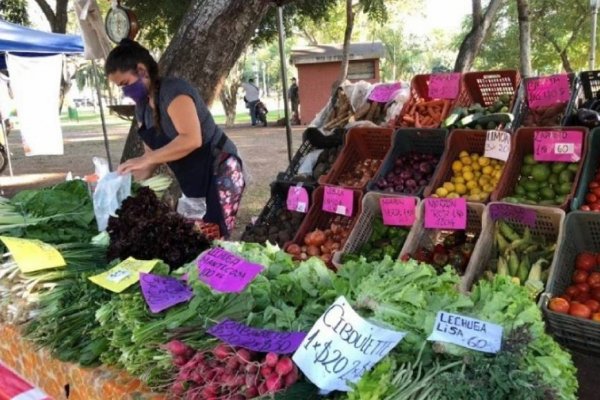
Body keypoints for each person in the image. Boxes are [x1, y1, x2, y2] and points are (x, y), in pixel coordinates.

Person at [105, 39, 245, 238]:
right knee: (194, 236)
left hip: (220, 170)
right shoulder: (142, 109)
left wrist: (147, 159)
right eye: (121, 87)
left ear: (142, 70)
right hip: (192, 178)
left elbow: (191, 139)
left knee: (215, 236)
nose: (125, 91)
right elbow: (151, 159)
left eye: (125, 84)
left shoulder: (174, 91)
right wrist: (122, 186)